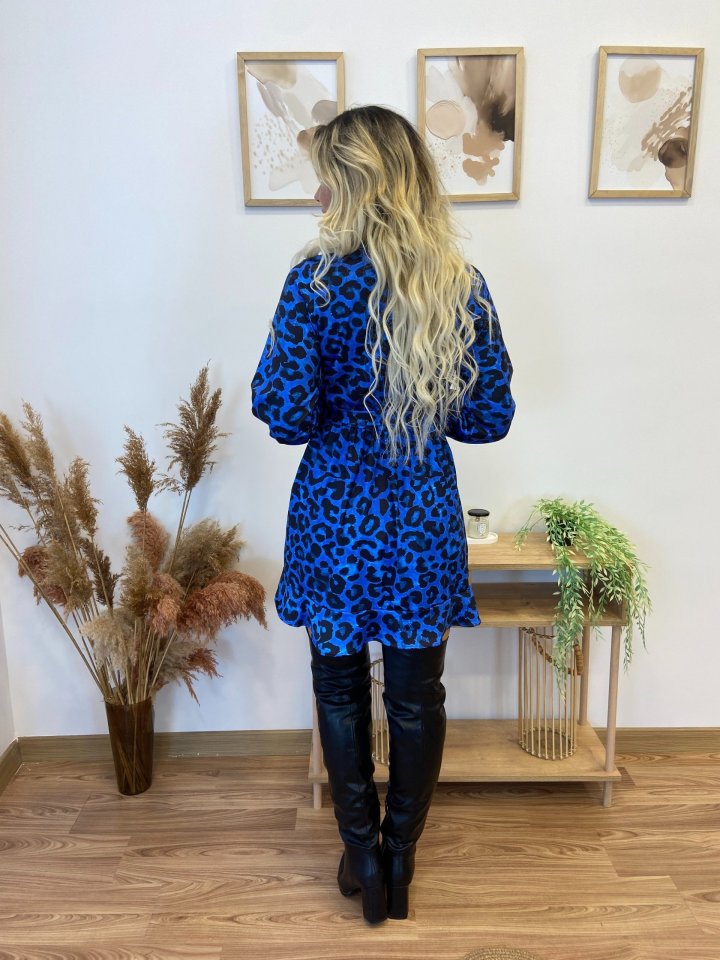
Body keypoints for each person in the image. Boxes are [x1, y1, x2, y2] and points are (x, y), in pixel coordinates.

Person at [251, 105, 516, 924]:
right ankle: (402, 855)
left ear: (358, 184)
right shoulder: (459, 285)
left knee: (338, 688)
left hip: (334, 517)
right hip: (420, 520)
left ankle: (361, 853)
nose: (317, 195)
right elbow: (487, 419)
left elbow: (285, 416)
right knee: (416, 694)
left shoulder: (314, 284)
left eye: (327, 179)